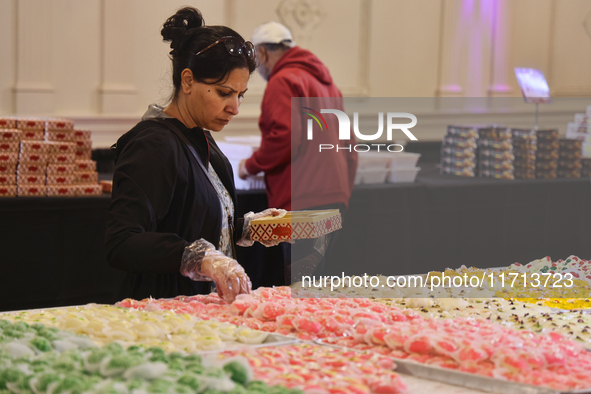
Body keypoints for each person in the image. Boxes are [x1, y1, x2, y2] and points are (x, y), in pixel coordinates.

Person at [105, 7, 284, 304]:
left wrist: (248, 228)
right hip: (161, 313)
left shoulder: (201, 137)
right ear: (187, 81)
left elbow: (188, 218)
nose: (235, 108)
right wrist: (195, 257)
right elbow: (122, 242)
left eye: (240, 95)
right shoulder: (153, 144)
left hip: (200, 312)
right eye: (224, 93)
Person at [238, 22, 357, 283]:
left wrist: (251, 164)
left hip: (303, 198)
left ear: (263, 53)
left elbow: (286, 137)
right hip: (334, 198)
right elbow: (349, 143)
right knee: (315, 281)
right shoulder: (328, 84)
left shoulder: (283, 80)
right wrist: (343, 193)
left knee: (300, 285)